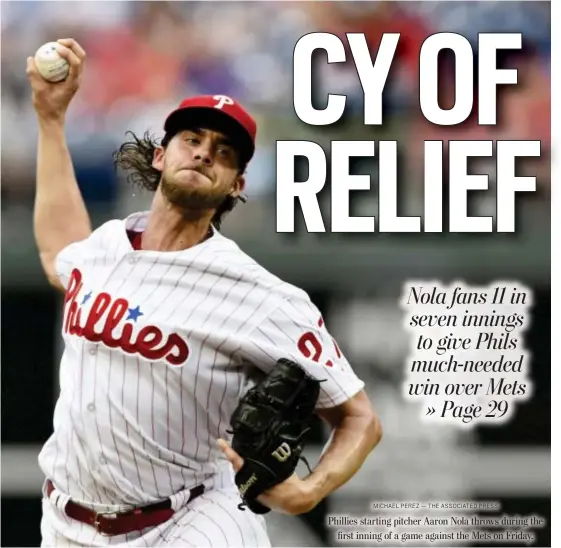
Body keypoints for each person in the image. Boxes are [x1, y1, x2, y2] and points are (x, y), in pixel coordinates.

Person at [27, 38, 383, 547]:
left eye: (223, 151)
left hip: (191, 519)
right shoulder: (101, 248)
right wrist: (49, 118)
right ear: (159, 155)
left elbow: (360, 417)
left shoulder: (260, 296)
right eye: (191, 138)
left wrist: (309, 490)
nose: (203, 153)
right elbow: (55, 253)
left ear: (237, 184)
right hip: (66, 521)